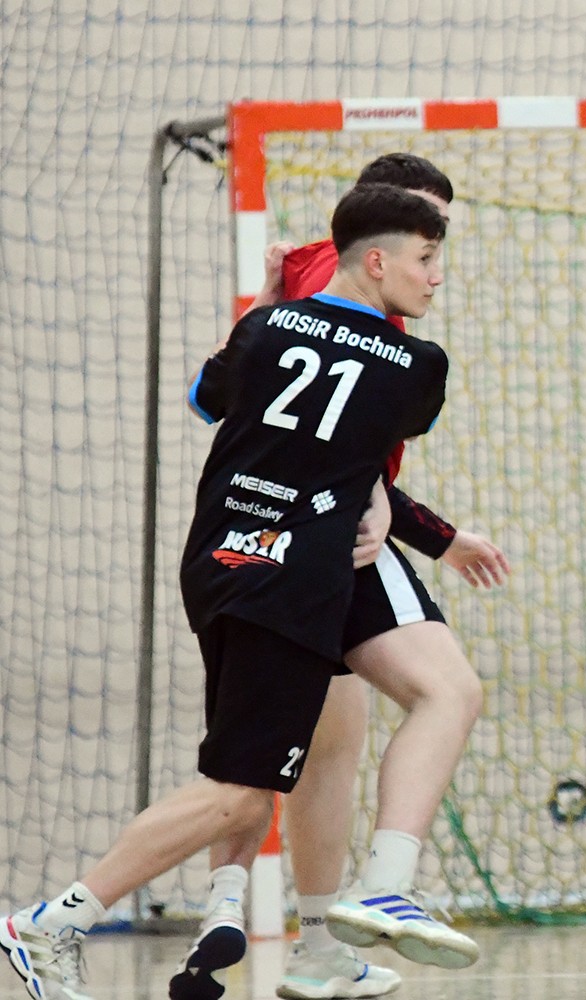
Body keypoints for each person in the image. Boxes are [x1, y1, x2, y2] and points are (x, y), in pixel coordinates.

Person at [0, 185, 475, 1000]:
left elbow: (207, 398)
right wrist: (397, 510)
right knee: (239, 793)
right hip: (288, 579)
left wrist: (263, 305)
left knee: (424, 701)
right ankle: (52, 920)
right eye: (428, 259)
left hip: (224, 561)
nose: (436, 277)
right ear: (377, 260)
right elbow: (379, 440)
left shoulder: (264, 328)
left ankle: (305, 911)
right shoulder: (417, 364)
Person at [166, 154, 509, 1000]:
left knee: (304, 749)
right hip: (327, 541)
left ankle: (265, 919)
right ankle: (69, 911)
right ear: (376, 241)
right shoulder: (356, 299)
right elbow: (334, 446)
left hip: (248, 543)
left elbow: (220, 396)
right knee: (435, 697)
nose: (435, 256)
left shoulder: (308, 278)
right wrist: (423, 528)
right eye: (424, 239)